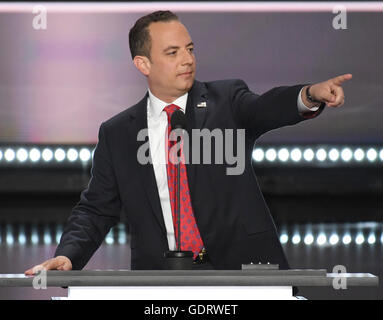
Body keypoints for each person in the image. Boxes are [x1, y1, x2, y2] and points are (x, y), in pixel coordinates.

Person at [25, 10, 351, 274]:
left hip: (242, 270)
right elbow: (96, 210)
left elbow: (265, 107)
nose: (187, 59)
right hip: (161, 279)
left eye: (190, 49)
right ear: (143, 64)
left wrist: (308, 95)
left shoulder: (227, 100)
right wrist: (69, 256)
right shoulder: (118, 133)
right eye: (173, 52)